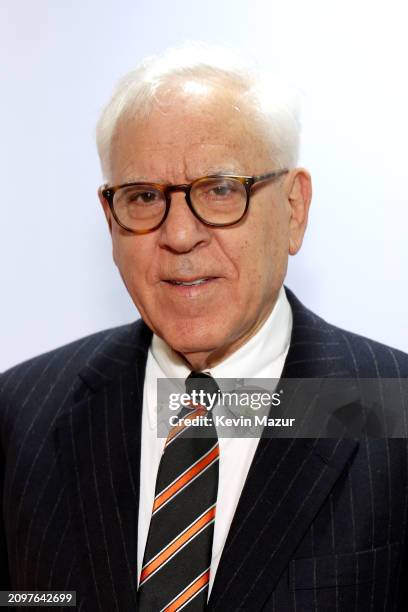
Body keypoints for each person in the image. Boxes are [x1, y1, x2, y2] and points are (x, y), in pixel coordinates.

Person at [1, 43, 407, 611]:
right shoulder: (22, 412)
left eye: (220, 190)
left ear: (294, 209)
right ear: (109, 220)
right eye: (144, 197)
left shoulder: (394, 406)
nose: (180, 235)